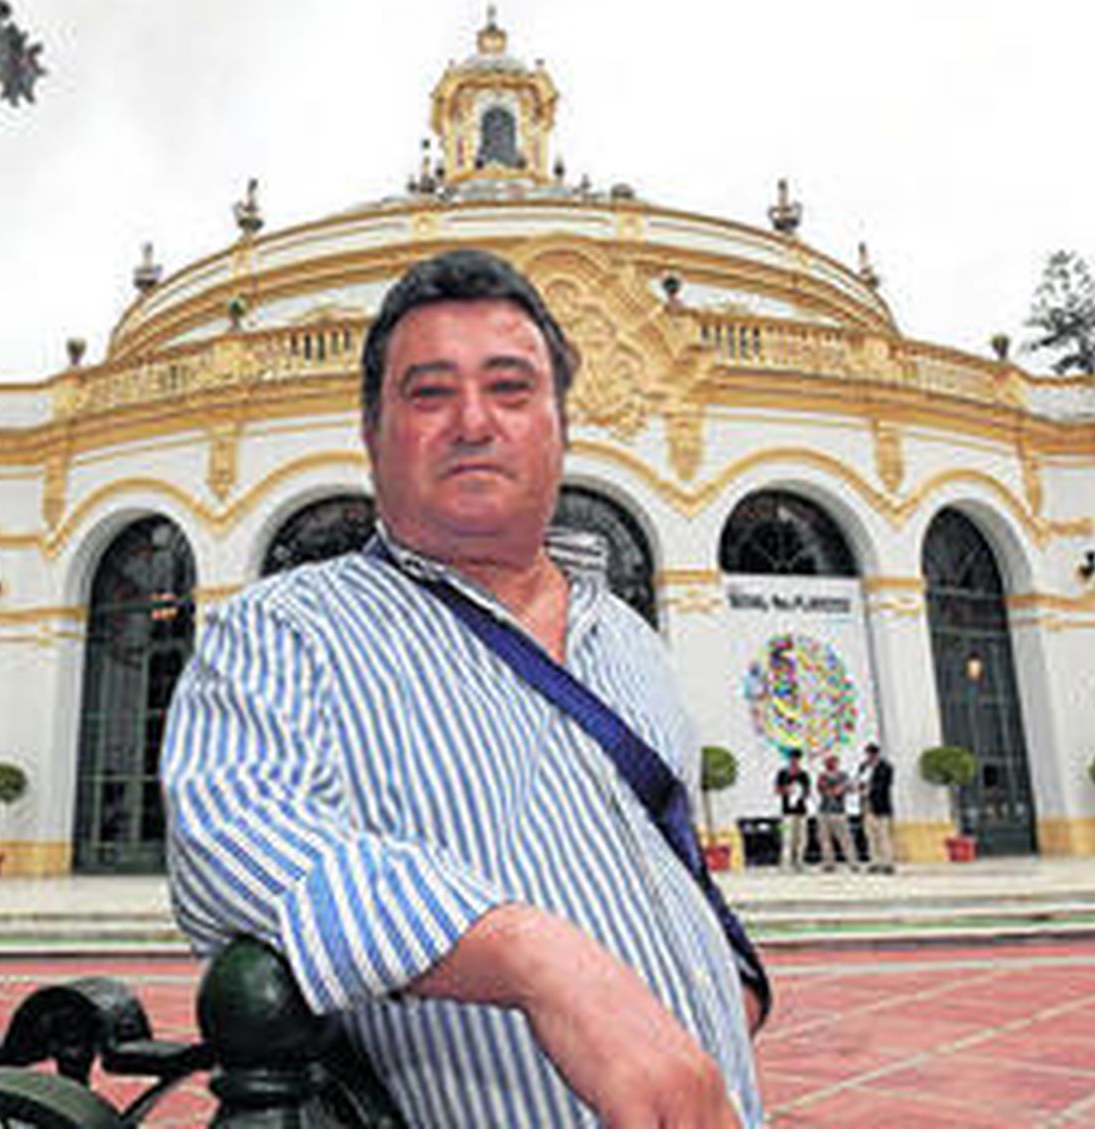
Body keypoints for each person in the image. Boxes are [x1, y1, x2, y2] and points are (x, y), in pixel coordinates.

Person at [163, 249, 766, 1127]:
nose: (474, 421)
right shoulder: (286, 628)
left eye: (512, 389)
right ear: (372, 434)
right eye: (430, 392)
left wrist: (729, 991)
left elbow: (662, 851)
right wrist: (535, 960)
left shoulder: (628, 635)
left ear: (562, 425)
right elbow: (234, 836)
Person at [857, 742, 896, 873]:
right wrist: (860, 789)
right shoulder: (863, 767)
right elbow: (860, 781)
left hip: (880, 806)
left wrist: (870, 789)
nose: (869, 757)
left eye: (871, 754)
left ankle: (887, 863)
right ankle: (874, 862)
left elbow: (885, 785)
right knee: (870, 835)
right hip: (867, 805)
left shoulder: (886, 767)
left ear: (876, 754)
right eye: (868, 754)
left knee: (883, 835)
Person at [814, 753, 857, 872]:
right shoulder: (822, 776)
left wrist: (843, 788)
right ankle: (828, 863)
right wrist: (832, 790)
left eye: (832, 761)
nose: (830, 764)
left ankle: (852, 861)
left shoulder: (843, 776)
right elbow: (821, 789)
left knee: (845, 838)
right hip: (824, 811)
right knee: (824, 838)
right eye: (828, 762)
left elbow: (851, 789)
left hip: (839, 811)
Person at [774, 751, 811, 872]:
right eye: (792, 759)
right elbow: (777, 790)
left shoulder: (803, 774)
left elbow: (807, 791)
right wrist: (787, 790)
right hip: (787, 811)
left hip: (801, 810)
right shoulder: (782, 774)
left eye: (797, 759)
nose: (794, 761)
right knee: (787, 837)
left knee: (801, 838)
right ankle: (785, 862)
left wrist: (801, 793)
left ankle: (799, 861)